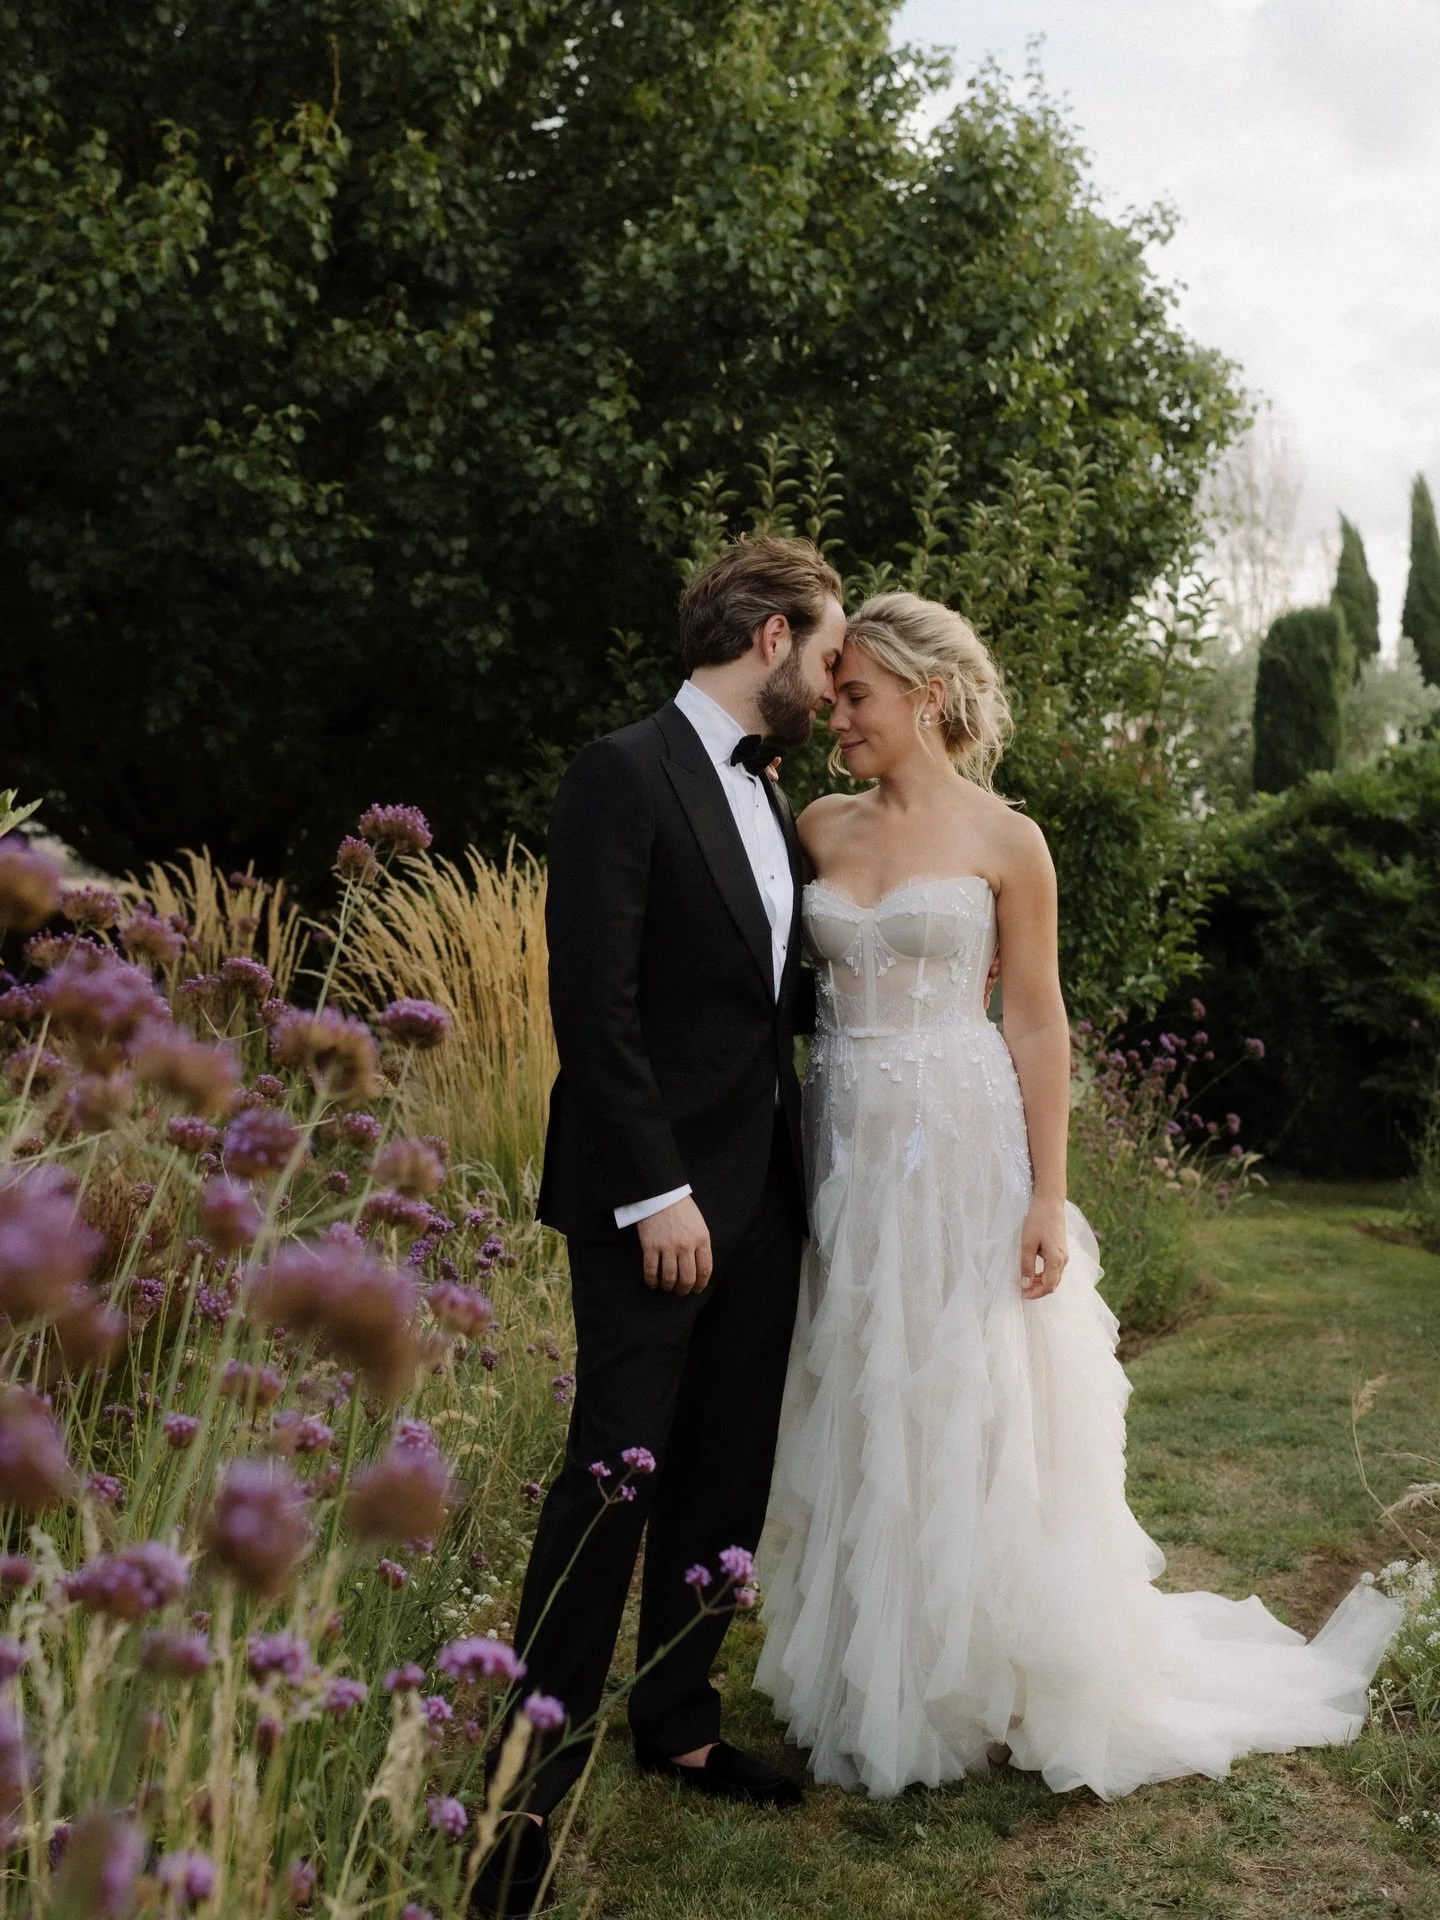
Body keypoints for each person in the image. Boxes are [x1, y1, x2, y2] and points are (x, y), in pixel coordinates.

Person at [753, 591, 1402, 1800]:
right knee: (860, 1379)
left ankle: (983, 1671)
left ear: (924, 697)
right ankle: (867, 1664)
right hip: (842, 1148)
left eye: (856, 697)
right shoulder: (815, 826)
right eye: (835, 697)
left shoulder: (1011, 841)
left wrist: (1050, 1196)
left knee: (967, 1388)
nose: (835, 717)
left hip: (962, 1149)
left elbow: (1037, 1020)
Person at [473, 537, 846, 1917]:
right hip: (658, 1201)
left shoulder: (776, 793)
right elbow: (596, 1004)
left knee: (721, 1467)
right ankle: (520, 1794)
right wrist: (653, 1190)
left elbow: (760, 1004)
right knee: (613, 1478)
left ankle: (679, 1718)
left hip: (767, 1187)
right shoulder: (621, 772)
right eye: (828, 648)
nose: (833, 671)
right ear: (769, 639)